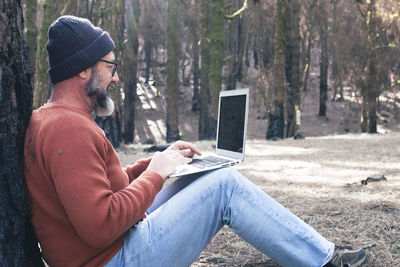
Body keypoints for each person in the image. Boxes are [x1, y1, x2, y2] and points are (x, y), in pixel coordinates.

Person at [23, 15, 367, 267]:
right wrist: (156, 175)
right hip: (111, 258)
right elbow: (99, 226)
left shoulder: (54, 118)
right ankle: (325, 261)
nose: (115, 77)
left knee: (202, 175)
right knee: (224, 186)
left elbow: (96, 190)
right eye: (110, 66)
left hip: (113, 247)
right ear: (83, 69)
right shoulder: (67, 129)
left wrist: (157, 162)